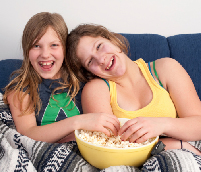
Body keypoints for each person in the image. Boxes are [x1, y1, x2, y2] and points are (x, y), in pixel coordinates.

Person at [66, 24, 201, 155]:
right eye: (90, 61)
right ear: (89, 72)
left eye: (99, 46)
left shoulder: (166, 68)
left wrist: (162, 124)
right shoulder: (96, 89)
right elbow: (108, 147)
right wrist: (170, 145)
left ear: (111, 39)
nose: (101, 59)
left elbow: (198, 124)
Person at [3, 13, 120, 143]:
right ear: (26, 50)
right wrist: (78, 122)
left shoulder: (83, 76)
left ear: (65, 48)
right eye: (36, 46)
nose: (45, 54)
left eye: (54, 45)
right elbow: (28, 134)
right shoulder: (20, 87)